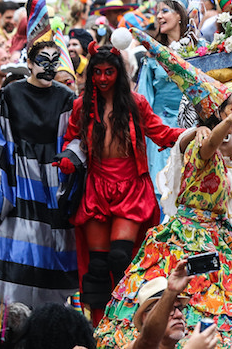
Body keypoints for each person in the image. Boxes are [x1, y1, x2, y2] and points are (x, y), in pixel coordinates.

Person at [96, 29, 232, 348]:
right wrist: (227, 125)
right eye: (230, 108)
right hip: (189, 231)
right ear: (215, 112)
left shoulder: (225, 138)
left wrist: (230, 128)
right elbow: (208, 147)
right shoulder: (200, 136)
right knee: (192, 294)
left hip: (218, 231)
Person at [0, 0, 79, 306]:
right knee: (18, 264)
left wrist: (70, 159)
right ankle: (12, 334)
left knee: (54, 268)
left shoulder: (66, 97)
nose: (49, 65)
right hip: (18, 189)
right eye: (43, 58)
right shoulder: (10, 95)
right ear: (29, 59)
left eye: (55, 59)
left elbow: (76, 139)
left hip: (55, 191)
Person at [58, 44, 184, 322]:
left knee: (121, 257)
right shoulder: (82, 105)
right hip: (96, 188)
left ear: (119, 73)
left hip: (130, 188)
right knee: (98, 268)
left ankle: (127, 321)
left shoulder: (136, 103)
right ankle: (100, 327)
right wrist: (69, 157)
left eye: (109, 72)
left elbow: (161, 133)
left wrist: (194, 134)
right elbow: (71, 139)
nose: (103, 78)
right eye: (98, 73)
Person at [138, 0, 190, 196]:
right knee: (162, 190)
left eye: (165, 11)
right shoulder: (153, 55)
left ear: (180, 15)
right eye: (157, 12)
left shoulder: (199, 51)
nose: (159, 16)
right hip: (159, 133)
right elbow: (144, 98)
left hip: (191, 130)